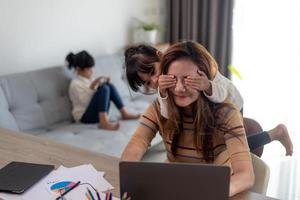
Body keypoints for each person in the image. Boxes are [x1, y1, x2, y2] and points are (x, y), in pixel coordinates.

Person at [121, 41, 255, 196]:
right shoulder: (159, 106)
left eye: (187, 79)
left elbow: (246, 175)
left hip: (214, 187)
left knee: (245, 145)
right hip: (175, 188)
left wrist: (213, 193)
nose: (179, 88)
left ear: (202, 78)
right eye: (172, 79)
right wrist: (127, 176)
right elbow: (137, 143)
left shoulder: (226, 111)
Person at [124, 43, 293, 156]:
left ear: (161, 56)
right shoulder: (165, 85)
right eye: (147, 83)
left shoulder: (190, 66)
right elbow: (167, 115)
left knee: (226, 150)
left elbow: (222, 93)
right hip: (205, 116)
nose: (153, 81)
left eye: (153, 72)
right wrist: (163, 93)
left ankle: (276, 133)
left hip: (229, 103)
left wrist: (206, 86)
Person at [66, 50, 139, 130]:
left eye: (91, 68)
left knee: (108, 85)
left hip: (96, 113)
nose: (91, 71)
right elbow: (86, 103)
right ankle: (103, 122)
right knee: (104, 88)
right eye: (88, 69)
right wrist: (94, 86)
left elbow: (99, 97)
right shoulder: (75, 84)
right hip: (85, 117)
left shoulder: (89, 79)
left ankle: (124, 113)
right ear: (78, 69)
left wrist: (100, 84)